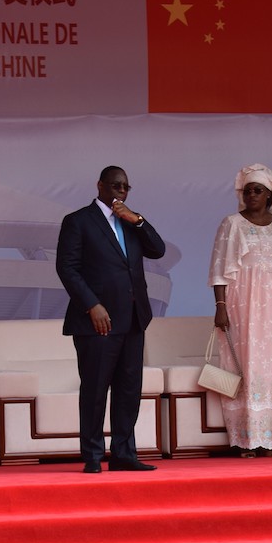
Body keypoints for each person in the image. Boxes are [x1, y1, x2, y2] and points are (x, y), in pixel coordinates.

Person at [56, 165, 167, 473]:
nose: (121, 191)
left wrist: (139, 220)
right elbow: (67, 268)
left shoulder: (131, 221)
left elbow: (157, 250)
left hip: (132, 318)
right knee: (94, 389)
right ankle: (92, 455)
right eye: (116, 186)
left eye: (126, 187)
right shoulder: (78, 221)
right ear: (100, 185)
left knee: (128, 389)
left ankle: (123, 453)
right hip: (97, 321)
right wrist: (92, 304)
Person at [208, 164, 272, 458]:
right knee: (248, 363)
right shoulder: (231, 223)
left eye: (258, 190)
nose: (252, 194)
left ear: (269, 195)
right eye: (248, 190)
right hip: (243, 303)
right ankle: (250, 439)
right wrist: (220, 306)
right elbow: (218, 271)